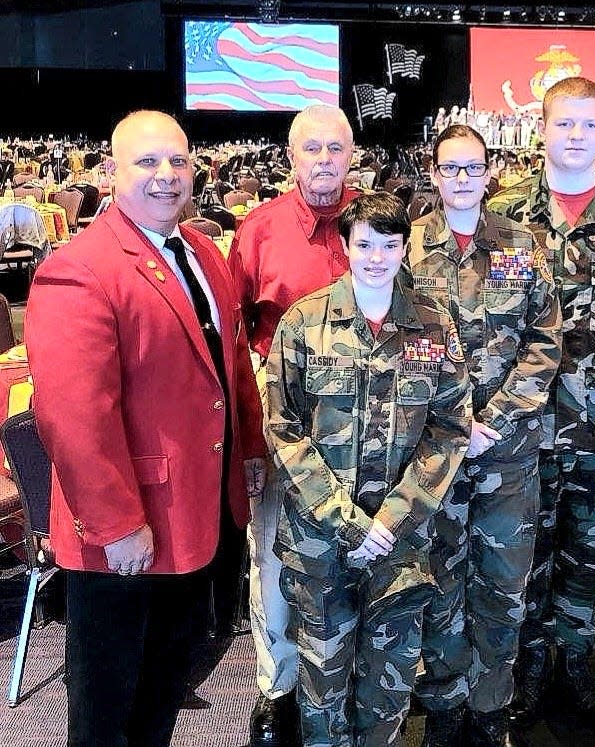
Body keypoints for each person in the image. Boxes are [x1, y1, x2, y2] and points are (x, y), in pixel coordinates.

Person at [25, 110, 266, 747]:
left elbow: (231, 363)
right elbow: (73, 420)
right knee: (109, 712)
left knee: (165, 686)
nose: (166, 175)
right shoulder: (80, 268)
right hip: (125, 535)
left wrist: (250, 450)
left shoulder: (204, 252)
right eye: (147, 162)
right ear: (110, 172)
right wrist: (115, 527)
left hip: (198, 514)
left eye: (179, 161)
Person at [265, 192, 471, 746]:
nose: (377, 257)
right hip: (321, 540)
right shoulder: (303, 323)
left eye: (390, 244)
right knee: (323, 679)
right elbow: (282, 429)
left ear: (405, 249)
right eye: (365, 244)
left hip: (402, 542)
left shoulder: (433, 324)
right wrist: (348, 521)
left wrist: (393, 519)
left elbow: (450, 427)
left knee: (390, 680)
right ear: (345, 246)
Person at [488, 76, 595, 735]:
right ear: (542, 128)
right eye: (564, 124)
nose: (575, 136)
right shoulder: (502, 211)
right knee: (522, 558)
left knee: (590, 558)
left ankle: (579, 675)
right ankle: (527, 678)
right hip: (524, 426)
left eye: (588, 125)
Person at [408, 125, 562, 747]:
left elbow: (546, 340)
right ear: (435, 173)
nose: (463, 179)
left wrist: (494, 417)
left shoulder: (522, 245)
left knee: (502, 585)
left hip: (509, 449)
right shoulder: (409, 245)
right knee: (439, 584)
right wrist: (451, 422)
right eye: (451, 169)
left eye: (473, 167)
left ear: (490, 171)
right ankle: (445, 704)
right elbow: (393, 338)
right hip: (434, 452)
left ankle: (490, 707)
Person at [228, 103, 362, 747]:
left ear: (352, 154)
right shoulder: (258, 231)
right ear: (290, 156)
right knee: (277, 550)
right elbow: (234, 340)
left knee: (368, 543)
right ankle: (277, 686)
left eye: (336, 149)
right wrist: (251, 442)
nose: (325, 162)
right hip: (286, 414)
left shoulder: (381, 224)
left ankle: (361, 675)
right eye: (313, 149)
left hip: (370, 415)